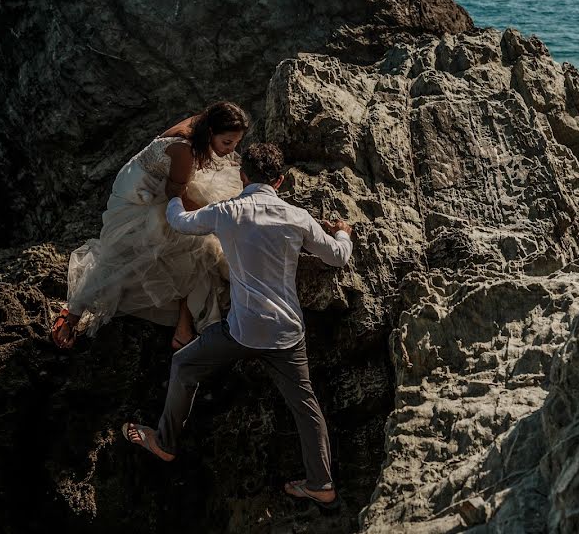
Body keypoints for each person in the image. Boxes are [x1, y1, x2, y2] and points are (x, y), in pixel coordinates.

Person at [121, 143, 353, 510]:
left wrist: (177, 196)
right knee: (306, 407)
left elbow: (180, 223)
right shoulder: (297, 217)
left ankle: (165, 443)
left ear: (243, 176)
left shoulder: (229, 211)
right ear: (280, 180)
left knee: (184, 365)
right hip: (286, 334)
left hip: (241, 331)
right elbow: (337, 257)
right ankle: (322, 484)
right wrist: (342, 232)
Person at [50, 101, 248, 351]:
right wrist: (215, 220)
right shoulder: (185, 149)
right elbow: (176, 195)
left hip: (166, 183)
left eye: (236, 143)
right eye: (227, 143)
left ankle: (184, 322)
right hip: (142, 197)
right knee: (125, 256)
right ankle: (73, 314)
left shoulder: (205, 123)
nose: (230, 150)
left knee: (203, 246)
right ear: (210, 133)